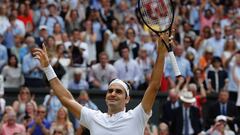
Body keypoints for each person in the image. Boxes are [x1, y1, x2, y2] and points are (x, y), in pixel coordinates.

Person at [32, 32, 168, 135]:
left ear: (127, 99)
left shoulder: (137, 116)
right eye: (110, 91)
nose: (113, 93)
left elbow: (154, 86)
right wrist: (47, 68)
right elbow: (66, 99)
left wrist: (161, 53)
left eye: (118, 91)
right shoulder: (94, 118)